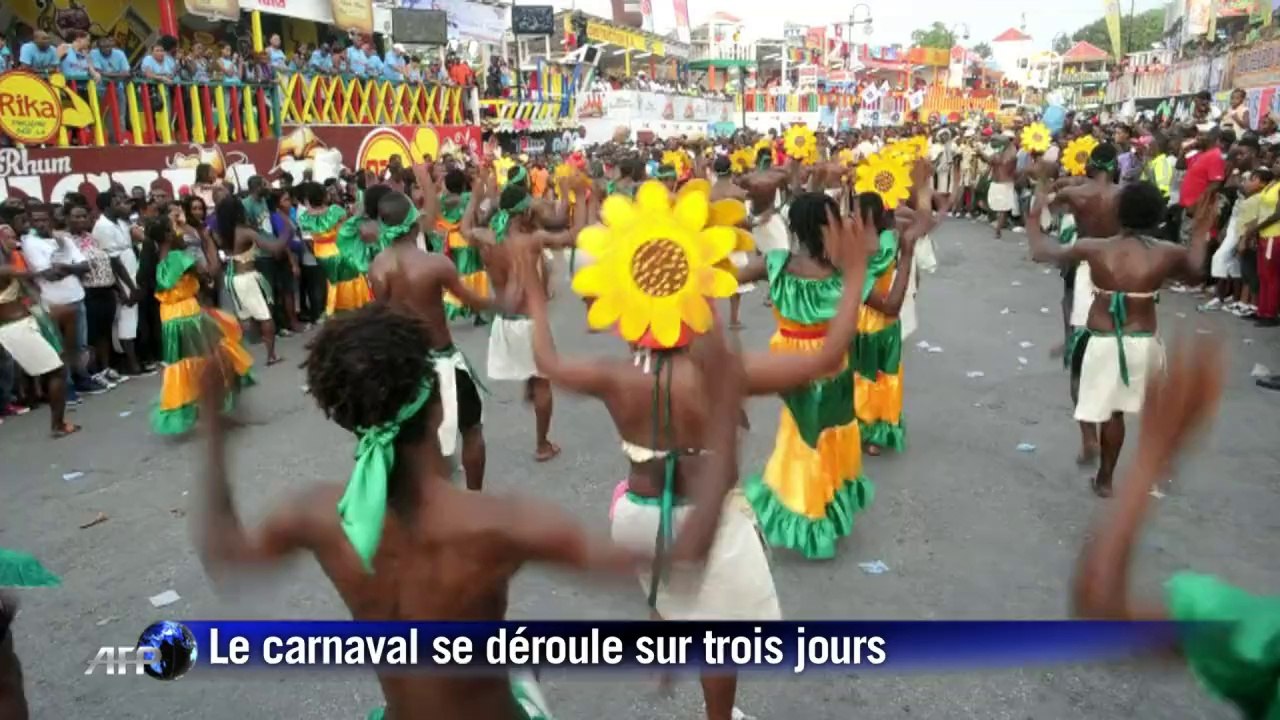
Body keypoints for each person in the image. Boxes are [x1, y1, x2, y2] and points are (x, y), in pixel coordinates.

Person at [194, 299, 743, 720]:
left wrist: (214, 434)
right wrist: (720, 416)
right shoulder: (498, 524)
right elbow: (684, 556)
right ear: (439, 404)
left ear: (343, 416)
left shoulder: (316, 516)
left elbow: (228, 556)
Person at [524, 181, 867, 717]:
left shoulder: (614, 375)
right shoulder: (723, 372)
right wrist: (858, 274)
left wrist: (532, 297)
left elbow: (548, 360)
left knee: (668, 594)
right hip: (712, 530)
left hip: (635, 516)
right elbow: (827, 357)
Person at [1068, 336, 1280, 719]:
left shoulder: (1267, 641)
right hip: (1134, 337)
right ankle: (1101, 469)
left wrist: (1153, 454)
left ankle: (1102, 470)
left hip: (1112, 339)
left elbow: (1103, 608)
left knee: (1101, 404)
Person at [1028, 181, 1213, 497]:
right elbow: (1197, 272)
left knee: (1110, 413)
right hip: (1143, 341)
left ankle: (1105, 477)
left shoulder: (1093, 247)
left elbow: (1042, 253)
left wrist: (1034, 220)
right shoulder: (1168, 253)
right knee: (1131, 411)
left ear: (1119, 212)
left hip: (1103, 342)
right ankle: (1127, 473)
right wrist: (1200, 232)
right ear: (1157, 217)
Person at [368, 170, 499, 490]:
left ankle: (428, 503)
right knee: (472, 430)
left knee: (416, 439)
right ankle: (473, 499)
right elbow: (473, 302)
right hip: (443, 361)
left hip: (405, 365)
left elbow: (382, 316)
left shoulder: (378, 267)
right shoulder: (435, 265)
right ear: (415, 223)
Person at [460, 174, 580, 462]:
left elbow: (464, 228)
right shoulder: (531, 239)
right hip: (530, 323)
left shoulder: (486, 237)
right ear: (525, 211)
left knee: (533, 374)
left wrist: (476, 198)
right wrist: (574, 197)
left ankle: (529, 382)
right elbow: (574, 236)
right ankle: (542, 444)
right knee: (543, 383)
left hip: (504, 323)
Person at [1045, 143, 1124, 465]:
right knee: (1113, 346)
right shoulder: (1126, 194)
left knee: (1077, 357)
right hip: (1120, 268)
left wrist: (1051, 183)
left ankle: (1088, 436)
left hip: (1085, 265)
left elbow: (1047, 204)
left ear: (1090, 163)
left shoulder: (1078, 193)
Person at [149, 216, 254, 435]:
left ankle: (196, 407)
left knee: (181, 363)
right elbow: (209, 272)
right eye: (174, 230)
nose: (179, 233)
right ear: (168, 234)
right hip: (188, 314)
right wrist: (207, 242)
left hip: (168, 318)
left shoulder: (156, 258)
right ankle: (215, 408)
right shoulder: (179, 257)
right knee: (213, 356)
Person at [0, 224, 74, 437]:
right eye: (7, 238)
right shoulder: (4, 268)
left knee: (67, 314)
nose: (13, 242)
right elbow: (28, 273)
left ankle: (57, 419)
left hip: (25, 322)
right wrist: (52, 269)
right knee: (57, 371)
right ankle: (57, 425)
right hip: (16, 329)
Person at [215, 198, 280, 366]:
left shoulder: (221, 234)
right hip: (247, 277)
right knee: (265, 316)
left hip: (233, 279)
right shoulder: (244, 232)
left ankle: (239, 358)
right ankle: (271, 355)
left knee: (245, 317)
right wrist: (286, 231)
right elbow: (273, 248)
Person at [91, 191, 148, 376]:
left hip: (132, 271)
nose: (124, 206)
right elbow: (113, 262)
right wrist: (128, 288)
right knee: (125, 320)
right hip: (121, 277)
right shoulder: (103, 227)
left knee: (131, 320)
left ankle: (135, 359)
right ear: (107, 206)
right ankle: (131, 363)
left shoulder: (122, 222)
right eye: (118, 202)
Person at [66, 205, 123, 387]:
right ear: (68, 218)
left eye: (84, 216)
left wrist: (117, 287)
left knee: (104, 332)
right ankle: (93, 371)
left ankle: (105, 368)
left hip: (106, 289)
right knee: (91, 334)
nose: (82, 220)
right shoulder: (67, 242)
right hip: (88, 291)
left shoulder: (92, 238)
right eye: (77, 216)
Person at [296, 181, 364, 317]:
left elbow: (308, 237)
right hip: (339, 250)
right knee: (348, 280)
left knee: (332, 282)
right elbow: (346, 231)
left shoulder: (304, 218)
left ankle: (333, 309)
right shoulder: (336, 211)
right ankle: (348, 307)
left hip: (322, 253)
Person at [430, 168, 489, 323]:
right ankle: (460, 309)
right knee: (472, 276)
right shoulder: (467, 198)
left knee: (460, 275)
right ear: (463, 185)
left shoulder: (443, 200)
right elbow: (480, 196)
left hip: (451, 241)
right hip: (466, 240)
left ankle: (471, 311)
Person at [983, 133, 1019, 238]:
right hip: (1002, 183)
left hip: (1003, 183)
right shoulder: (1007, 153)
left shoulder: (1006, 155)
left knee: (1002, 208)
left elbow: (991, 161)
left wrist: (980, 152)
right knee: (1000, 207)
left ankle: (998, 228)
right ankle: (999, 225)